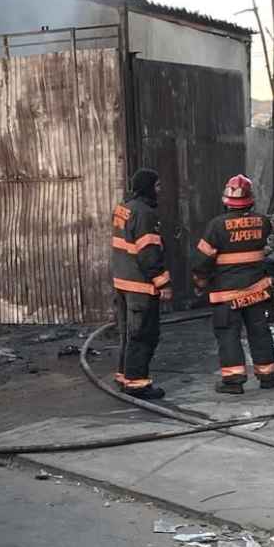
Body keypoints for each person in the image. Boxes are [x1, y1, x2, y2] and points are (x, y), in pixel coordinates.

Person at [192, 175, 274, 395]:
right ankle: (268, 376)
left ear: (226, 200)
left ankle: (233, 382)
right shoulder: (263, 222)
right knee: (260, 332)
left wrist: (200, 281)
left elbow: (203, 260)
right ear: (250, 200)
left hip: (226, 294)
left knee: (228, 334)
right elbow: (272, 251)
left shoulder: (216, 226)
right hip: (257, 291)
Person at [111, 167, 172, 400]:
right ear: (148, 187)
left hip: (123, 282)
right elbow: (148, 253)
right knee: (143, 334)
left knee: (128, 333)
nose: (160, 190)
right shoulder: (145, 214)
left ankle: (124, 374)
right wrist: (163, 283)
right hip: (140, 286)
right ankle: (137, 383)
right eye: (157, 185)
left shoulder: (124, 208)